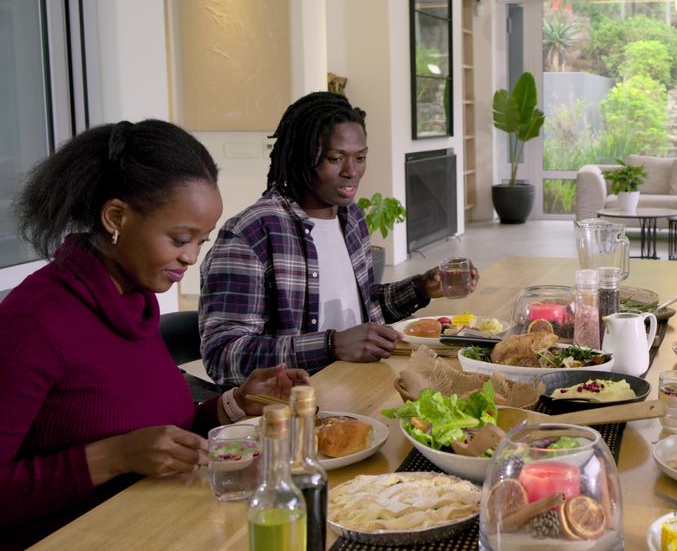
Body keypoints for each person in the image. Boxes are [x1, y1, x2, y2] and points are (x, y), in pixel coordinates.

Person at [0, 120, 309, 548]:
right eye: (181, 238)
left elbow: (159, 431)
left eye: (202, 240)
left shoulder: (132, 299)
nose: (191, 257)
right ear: (116, 217)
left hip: (158, 525)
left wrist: (235, 405)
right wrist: (113, 457)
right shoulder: (32, 322)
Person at [200, 92, 478, 387]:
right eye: (335, 159)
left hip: (357, 384)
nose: (352, 172)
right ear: (300, 155)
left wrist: (420, 287)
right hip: (293, 407)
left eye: (360, 158)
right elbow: (223, 356)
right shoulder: (251, 233)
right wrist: (330, 345)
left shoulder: (350, 218)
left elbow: (361, 309)